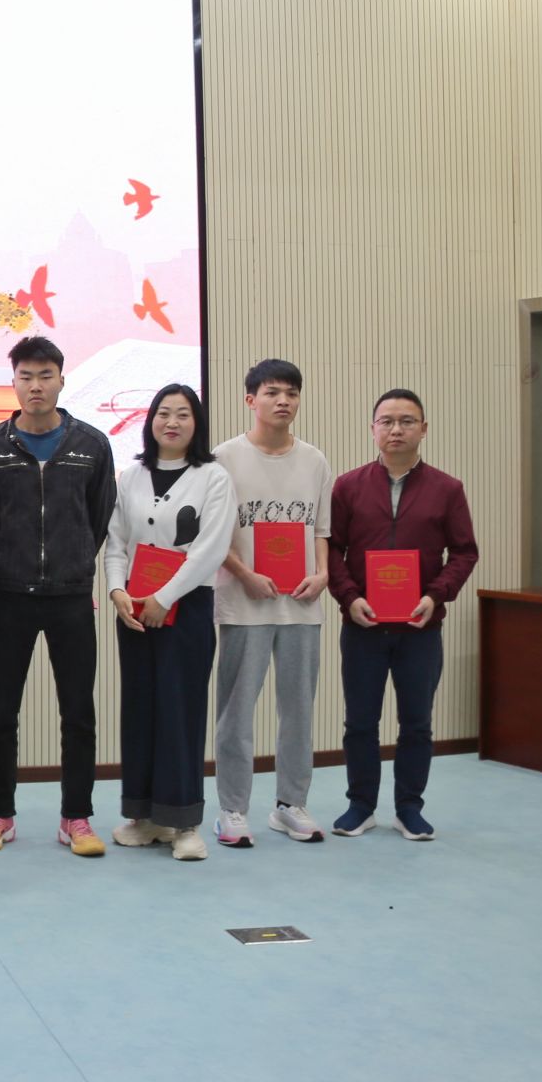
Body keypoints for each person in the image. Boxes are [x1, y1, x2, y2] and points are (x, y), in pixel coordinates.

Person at [0, 337, 116, 858]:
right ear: (13, 382)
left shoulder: (92, 445)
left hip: (70, 598)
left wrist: (73, 564)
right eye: (26, 376)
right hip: (11, 596)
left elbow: (98, 517)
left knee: (78, 713)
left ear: (61, 380)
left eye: (45, 375)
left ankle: (76, 817)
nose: (36, 385)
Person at [326, 389, 478, 840]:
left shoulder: (447, 489)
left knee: (417, 723)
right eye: (387, 421)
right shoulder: (348, 486)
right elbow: (331, 549)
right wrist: (349, 598)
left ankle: (409, 808)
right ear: (373, 429)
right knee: (360, 722)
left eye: (407, 421)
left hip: (420, 628)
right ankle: (361, 806)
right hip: (363, 625)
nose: (396, 429)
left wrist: (436, 596)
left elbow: (464, 552)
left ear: (423, 429)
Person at [102, 386, 235, 862]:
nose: (172, 422)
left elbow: (210, 549)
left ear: (196, 423)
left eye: (183, 414)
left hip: (187, 608)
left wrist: (165, 597)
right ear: (150, 420)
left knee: (180, 710)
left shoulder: (213, 477)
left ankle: (183, 823)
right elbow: (116, 542)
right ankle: (144, 817)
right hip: (135, 609)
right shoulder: (131, 476)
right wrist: (117, 591)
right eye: (163, 413)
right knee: (140, 709)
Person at [211, 359, 335, 847]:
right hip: (243, 605)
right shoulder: (224, 458)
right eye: (272, 392)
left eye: (292, 393)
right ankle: (232, 810)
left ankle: (290, 805)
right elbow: (213, 535)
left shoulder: (315, 460)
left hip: (301, 605)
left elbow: (320, 529)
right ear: (251, 400)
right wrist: (244, 574)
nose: (283, 401)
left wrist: (322, 574)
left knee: (299, 711)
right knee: (237, 712)